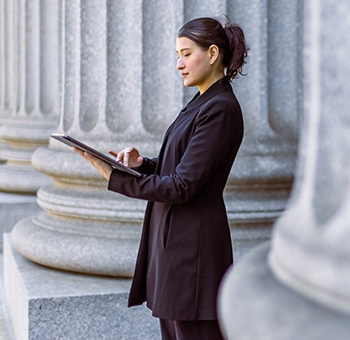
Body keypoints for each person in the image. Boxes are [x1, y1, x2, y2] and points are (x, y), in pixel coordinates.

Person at [74, 16, 248, 340]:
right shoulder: (201, 103)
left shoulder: (220, 108)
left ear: (212, 54)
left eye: (185, 53)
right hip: (175, 247)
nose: (179, 64)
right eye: (177, 55)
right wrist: (141, 165)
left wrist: (116, 178)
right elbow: (181, 169)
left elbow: (183, 186)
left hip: (192, 252)